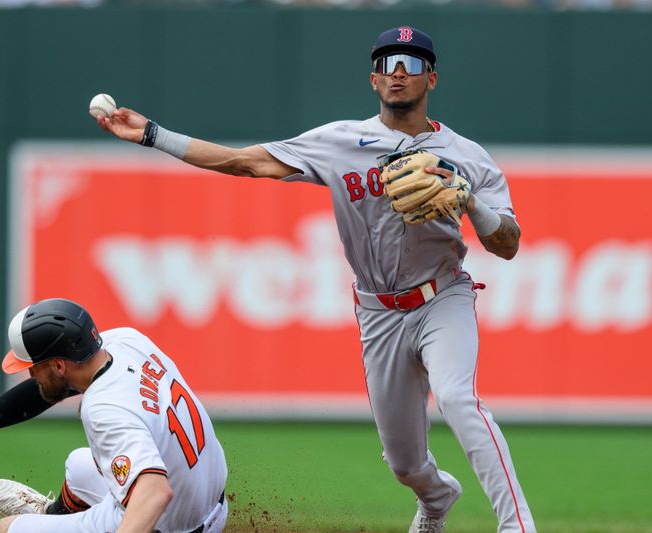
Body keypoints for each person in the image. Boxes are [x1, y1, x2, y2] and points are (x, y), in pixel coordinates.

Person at [93, 25, 536, 533]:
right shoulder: (339, 141)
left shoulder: (467, 156)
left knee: (459, 398)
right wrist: (153, 135)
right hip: (379, 313)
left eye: (411, 64)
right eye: (388, 63)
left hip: (443, 297)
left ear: (431, 78)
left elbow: (509, 243)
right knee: (404, 464)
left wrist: (471, 201)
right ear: (373, 79)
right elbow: (247, 162)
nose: (398, 72)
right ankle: (436, 498)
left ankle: (518, 525)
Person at [0, 298, 228, 533]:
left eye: (33, 367)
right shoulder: (126, 343)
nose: (31, 374)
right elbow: (49, 389)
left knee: (2, 531)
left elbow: (155, 492)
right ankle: (51, 516)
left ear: (60, 365)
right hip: (210, 505)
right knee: (79, 464)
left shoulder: (103, 408)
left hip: (170, 524)